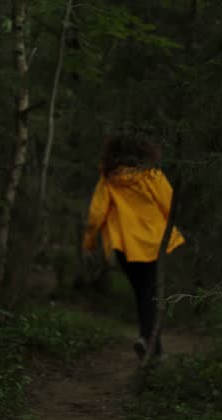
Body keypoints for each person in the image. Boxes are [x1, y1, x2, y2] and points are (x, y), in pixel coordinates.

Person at [81, 131, 185, 360]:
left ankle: (149, 344)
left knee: (141, 293)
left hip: (124, 245)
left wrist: (89, 243)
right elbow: (170, 205)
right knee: (151, 293)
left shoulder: (108, 178)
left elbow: (96, 214)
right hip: (153, 243)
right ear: (145, 151)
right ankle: (150, 342)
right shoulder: (152, 175)